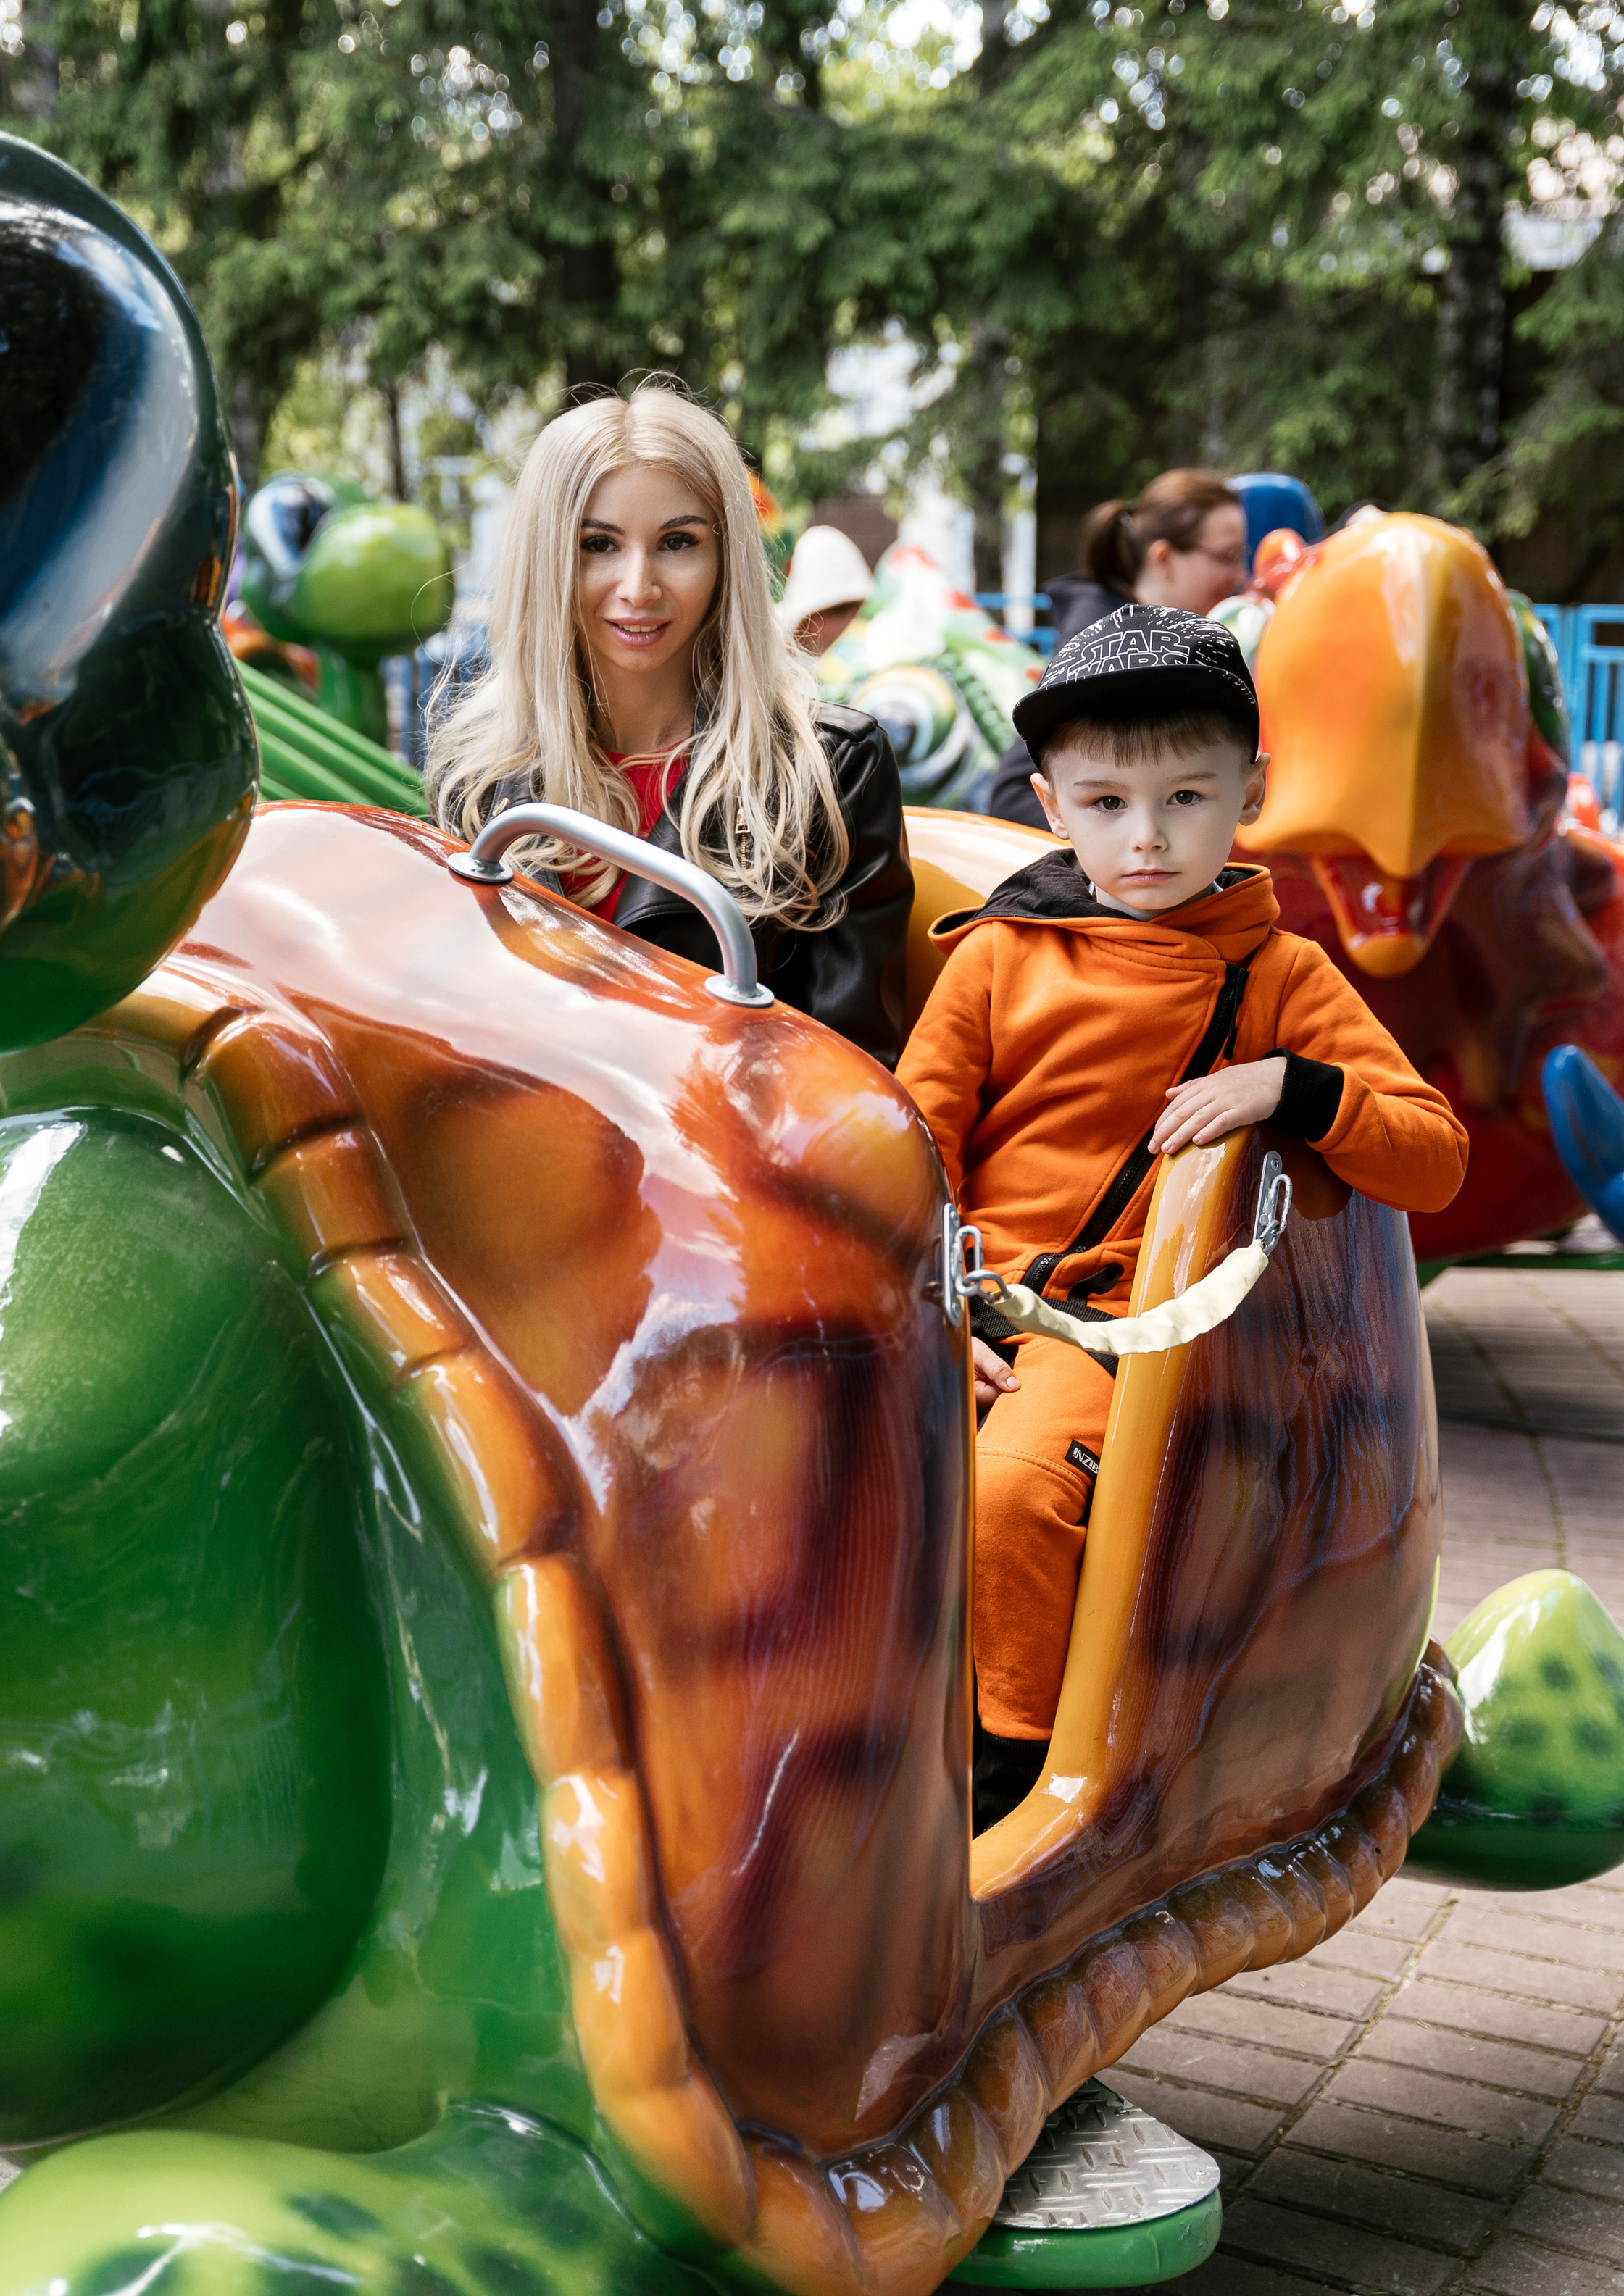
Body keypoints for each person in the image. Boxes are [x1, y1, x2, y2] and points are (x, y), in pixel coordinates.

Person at [897, 607, 1469, 1832]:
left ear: (1248, 793)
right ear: (1052, 803)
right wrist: (931, 1307)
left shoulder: (1287, 979)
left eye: (1185, 800)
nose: (1146, 839)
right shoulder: (999, 958)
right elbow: (908, 1146)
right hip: (971, 1305)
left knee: (1008, 1499)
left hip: (1125, 1333)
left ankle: (1013, 1797)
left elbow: (1435, 1159)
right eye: (1104, 804)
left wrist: (1294, 1088)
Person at [426, 383, 913, 1066]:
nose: (638, 587)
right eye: (598, 544)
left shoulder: (831, 770)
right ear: (548, 559)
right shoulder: (479, 775)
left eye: (677, 542)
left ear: (727, 560)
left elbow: (849, 1074)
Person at [987, 468, 1249, 828]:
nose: (1241, 577)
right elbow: (1013, 796)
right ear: (1164, 559)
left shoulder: (1155, 636)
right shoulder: (1110, 645)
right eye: (1226, 556)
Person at [780, 522, 874, 659]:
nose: (851, 622)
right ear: (811, 619)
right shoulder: (773, 659)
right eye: (839, 612)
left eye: (856, 611)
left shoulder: (859, 657)